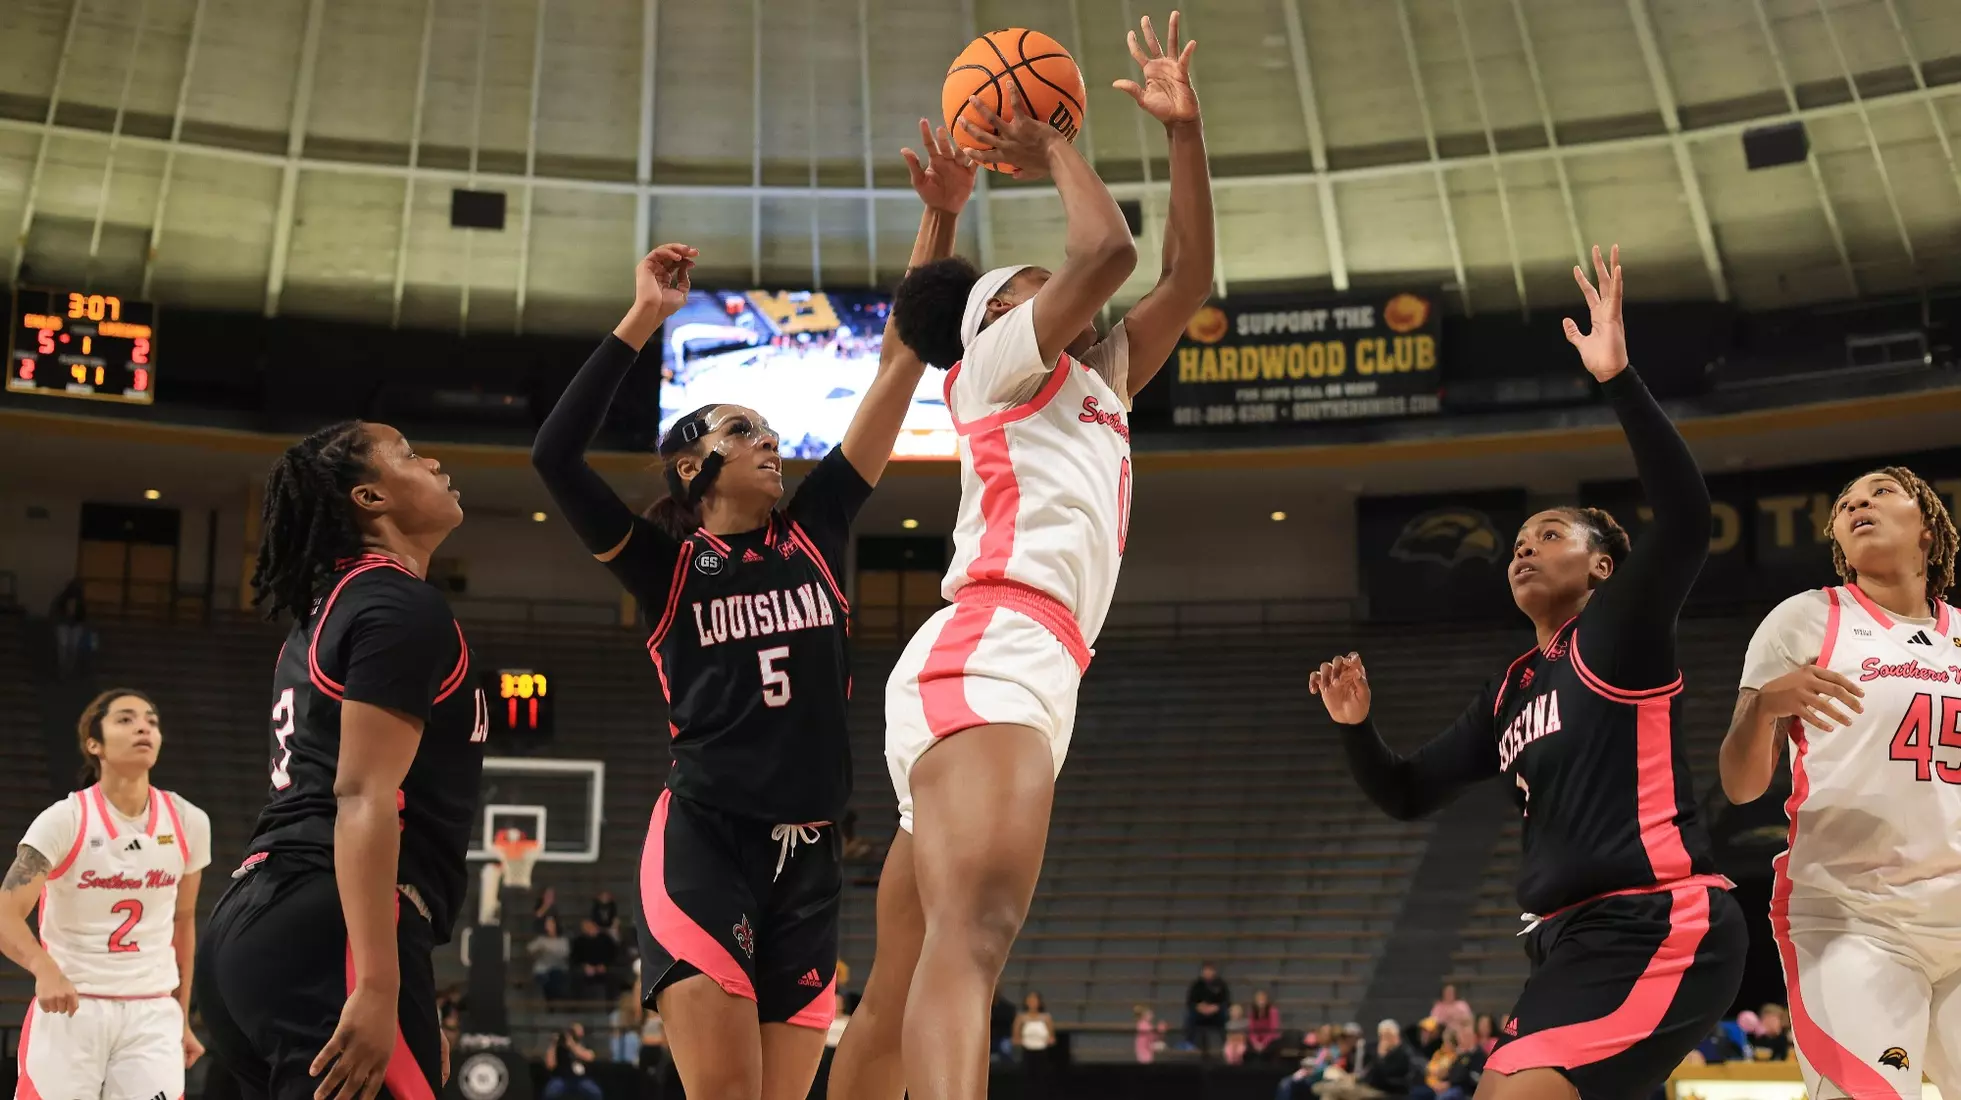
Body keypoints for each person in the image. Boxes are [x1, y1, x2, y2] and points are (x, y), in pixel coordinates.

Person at [529, 123, 977, 1100]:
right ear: (693, 467)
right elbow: (553, 459)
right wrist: (643, 316)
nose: (769, 442)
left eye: (770, 431)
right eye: (744, 430)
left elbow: (899, 357)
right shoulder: (666, 565)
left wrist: (938, 211)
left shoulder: (816, 526)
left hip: (811, 853)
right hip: (707, 841)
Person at [829, 15, 1214, 1100]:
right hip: (995, 646)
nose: (1062, 288)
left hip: (1010, 663)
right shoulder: (993, 363)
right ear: (997, 314)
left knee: (905, 975)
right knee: (975, 935)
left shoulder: (1099, 379)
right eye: (1027, 282)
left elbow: (1182, 272)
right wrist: (1048, 142)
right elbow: (1108, 251)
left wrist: (1183, 134)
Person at [1309, 248, 1747, 1100]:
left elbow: (1688, 520)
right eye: (1517, 540)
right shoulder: (1508, 691)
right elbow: (1403, 793)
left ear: (1601, 570)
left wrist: (1618, 378)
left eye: (1550, 534)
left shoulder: (1616, 636)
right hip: (1564, 941)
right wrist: (1354, 727)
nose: (1523, 546)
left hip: (1655, 923)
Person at [194, 420, 486, 1100]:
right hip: (329, 933)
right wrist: (379, 984)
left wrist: (404, 988)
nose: (436, 460)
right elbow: (361, 797)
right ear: (370, 499)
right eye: (411, 455)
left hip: (262, 922)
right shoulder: (398, 606)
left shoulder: (329, 608)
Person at [1717, 464, 1960, 1099]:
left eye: (1880, 492)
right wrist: (1762, 706)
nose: (1858, 505)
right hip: (1854, 915)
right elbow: (1741, 787)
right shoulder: (1805, 618)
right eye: (1846, 503)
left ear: (1928, 531)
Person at [2, 690, 213, 1100]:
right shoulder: (64, 820)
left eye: (151, 721)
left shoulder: (189, 821)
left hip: (151, 1010)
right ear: (93, 744)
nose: (144, 728)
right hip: (72, 1007)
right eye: (126, 719)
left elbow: (183, 922)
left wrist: (182, 1017)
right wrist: (44, 969)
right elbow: (6, 911)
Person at [542, 1024, 602, 1100]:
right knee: (550, 1092)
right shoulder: (560, 1047)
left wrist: (571, 1045)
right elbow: (550, 1065)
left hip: (581, 1079)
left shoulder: (585, 1044)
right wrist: (553, 1044)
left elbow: (589, 1057)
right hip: (562, 1078)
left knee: (595, 1093)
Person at [1185, 961, 1230, 1055]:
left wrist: (1216, 1007)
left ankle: (1226, 1043)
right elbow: (1190, 1002)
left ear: (1214, 972)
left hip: (1216, 1014)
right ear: (1202, 972)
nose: (1208, 972)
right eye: (1206, 970)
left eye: (1210, 970)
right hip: (1200, 1013)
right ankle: (1189, 1043)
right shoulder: (1196, 985)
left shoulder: (1221, 984)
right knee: (1190, 1017)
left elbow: (1227, 1002)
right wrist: (1199, 1007)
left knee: (1225, 1015)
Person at [569, 916, 618, 1001]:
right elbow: (574, 958)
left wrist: (604, 965)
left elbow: (613, 955)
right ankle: (577, 1008)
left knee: (613, 977)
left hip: (603, 968)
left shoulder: (605, 939)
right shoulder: (579, 941)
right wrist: (584, 966)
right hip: (586, 970)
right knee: (575, 978)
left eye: (588, 925)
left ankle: (611, 1006)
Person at [530, 914, 572, 1002]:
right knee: (545, 977)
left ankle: (555, 999)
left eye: (551, 924)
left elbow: (565, 954)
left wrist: (550, 952)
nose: (550, 927)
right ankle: (550, 1001)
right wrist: (539, 951)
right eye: (548, 924)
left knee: (555, 974)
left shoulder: (562, 940)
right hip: (542, 968)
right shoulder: (541, 939)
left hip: (558, 967)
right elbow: (530, 950)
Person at [1012, 992, 1057, 1056]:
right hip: (1026, 1050)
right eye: (1030, 1001)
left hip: (1043, 1050)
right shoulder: (1020, 1018)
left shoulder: (1046, 1018)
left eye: (1034, 1001)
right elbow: (1015, 1038)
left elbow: (1052, 1037)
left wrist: (1047, 1041)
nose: (1032, 1003)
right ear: (1026, 1002)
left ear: (1039, 1002)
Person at [1248, 989, 1282, 1061]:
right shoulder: (1253, 1013)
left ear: (1267, 1000)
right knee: (1248, 1049)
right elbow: (1251, 1031)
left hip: (1271, 1039)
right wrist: (1255, 1043)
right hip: (1258, 1040)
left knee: (1269, 1049)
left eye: (1262, 999)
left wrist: (1263, 1044)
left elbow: (1273, 1030)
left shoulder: (1273, 1011)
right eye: (1259, 999)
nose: (1261, 1001)